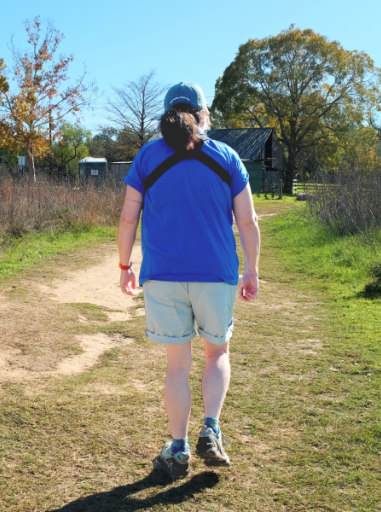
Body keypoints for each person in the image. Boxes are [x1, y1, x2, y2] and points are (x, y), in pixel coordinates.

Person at [117, 82, 260, 479]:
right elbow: (247, 221)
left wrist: (124, 266)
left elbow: (128, 218)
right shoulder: (226, 156)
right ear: (204, 114)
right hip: (215, 274)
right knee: (217, 354)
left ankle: (178, 450)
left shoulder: (147, 156)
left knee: (177, 366)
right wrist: (252, 270)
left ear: (166, 114)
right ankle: (211, 431)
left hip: (162, 276)